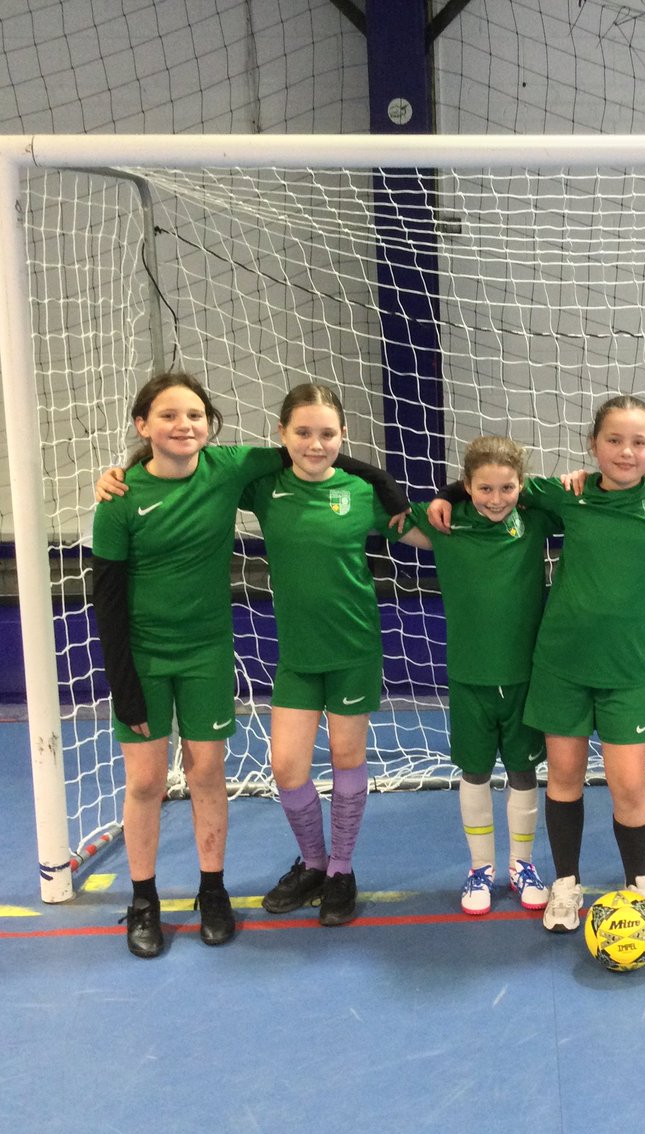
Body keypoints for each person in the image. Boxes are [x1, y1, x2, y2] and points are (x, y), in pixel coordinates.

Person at [92, 372, 407, 957]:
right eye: (168, 416)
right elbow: (106, 598)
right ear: (143, 425)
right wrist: (124, 687)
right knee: (150, 782)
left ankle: (225, 889)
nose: (183, 425)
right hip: (145, 657)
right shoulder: (123, 498)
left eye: (194, 416)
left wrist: (389, 487)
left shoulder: (232, 467)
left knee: (210, 775)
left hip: (215, 651)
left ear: (209, 425)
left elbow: (325, 457)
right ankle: (144, 900)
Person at [429, 396, 645, 934]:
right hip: (559, 663)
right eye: (614, 440)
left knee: (630, 786)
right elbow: (493, 480)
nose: (626, 452)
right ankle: (565, 882)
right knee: (564, 778)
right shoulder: (565, 494)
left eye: (639, 443)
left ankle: (640, 882)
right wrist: (444, 496)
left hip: (624, 669)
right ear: (592, 445)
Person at [245, 383, 406, 927]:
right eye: (303, 432)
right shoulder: (266, 488)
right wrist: (129, 468)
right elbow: (196, 470)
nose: (316, 444)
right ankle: (312, 863)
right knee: (286, 766)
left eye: (328, 434)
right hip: (297, 657)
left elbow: (427, 535)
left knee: (345, 758)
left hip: (354, 649)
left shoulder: (361, 494)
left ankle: (340, 869)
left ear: (344, 437)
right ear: (282, 435)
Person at [402, 436, 560, 916]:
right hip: (469, 677)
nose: (496, 498)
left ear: (521, 486)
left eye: (507, 487)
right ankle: (480, 869)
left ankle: (522, 865)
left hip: (524, 677)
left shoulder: (534, 520)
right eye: (484, 488)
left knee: (523, 770)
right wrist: (442, 496)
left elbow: (576, 497)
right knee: (474, 771)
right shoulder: (443, 523)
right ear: (467, 485)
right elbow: (379, 504)